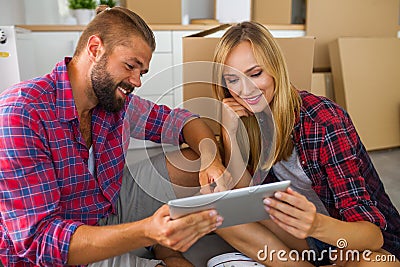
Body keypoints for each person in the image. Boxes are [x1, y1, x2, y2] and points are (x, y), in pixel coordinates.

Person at [0, 6, 229, 267]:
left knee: (194, 162)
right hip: (67, 247)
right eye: (131, 66)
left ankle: (157, 244)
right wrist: (145, 230)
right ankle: (158, 248)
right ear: (95, 49)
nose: (137, 81)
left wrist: (211, 161)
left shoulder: (114, 102)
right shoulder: (21, 113)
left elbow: (182, 122)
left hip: (107, 207)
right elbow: (41, 242)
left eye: (141, 72)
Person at [209, 21, 400, 266]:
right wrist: (229, 132)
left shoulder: (323, 121)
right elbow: (246, 193)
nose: (245, 90)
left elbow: (372, 236)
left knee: (378, 263)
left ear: (275, 69)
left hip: (345, 238)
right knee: (219, 214)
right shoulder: (249, 118)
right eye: (233, 79)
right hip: (303, 236)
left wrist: (316, 224)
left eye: (256, 74)